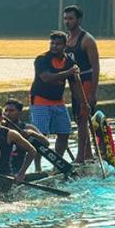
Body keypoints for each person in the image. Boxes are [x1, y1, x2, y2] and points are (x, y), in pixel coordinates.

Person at [30, 31, 80, 163]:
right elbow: (46, 77)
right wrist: (68, 72)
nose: (54, 46)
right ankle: (37, 166)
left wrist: (82, 103)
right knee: (40, 135)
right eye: (52, 43)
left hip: (58, 102)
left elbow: (74, 84)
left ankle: (57, 163)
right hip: (40, 101)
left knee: (64, 132)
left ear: (65, 45)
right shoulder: (42, 59)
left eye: (58, 44)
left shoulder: (69, 61)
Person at [63, 5, 100, 161]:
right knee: (79, 120)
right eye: (65, 19)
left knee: (83, 120)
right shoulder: (65, 40)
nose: (67, 22)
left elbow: (96, 68)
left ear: (78, 19)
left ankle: (80, 157)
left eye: (71, 18)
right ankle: (89, 154)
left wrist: (93, 93)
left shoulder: (87, 40)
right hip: (74, 85)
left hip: (85, 82)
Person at [0, 102, 38, 186]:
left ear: (1, 118)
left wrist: (21, 174)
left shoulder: (10, 134)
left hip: (4, 177)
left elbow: (32, 151)